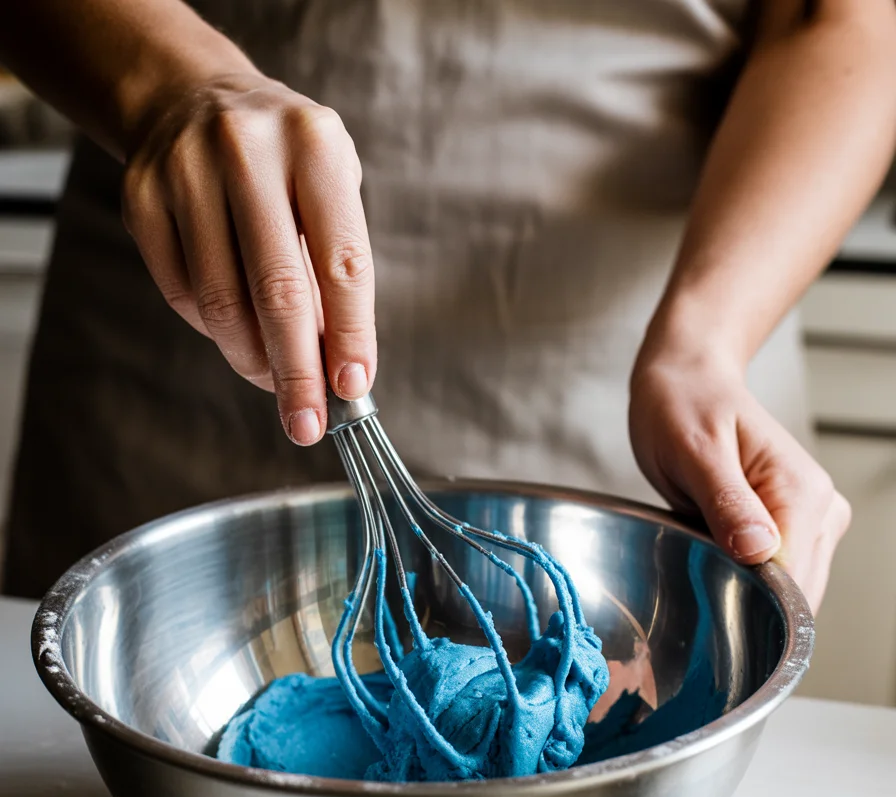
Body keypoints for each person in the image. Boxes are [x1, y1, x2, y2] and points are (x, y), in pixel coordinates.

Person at [2, 0, 894, 611]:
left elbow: (843, 18)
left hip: (643, 352)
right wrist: (168, 86)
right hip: (194, 304)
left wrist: (706, 342)